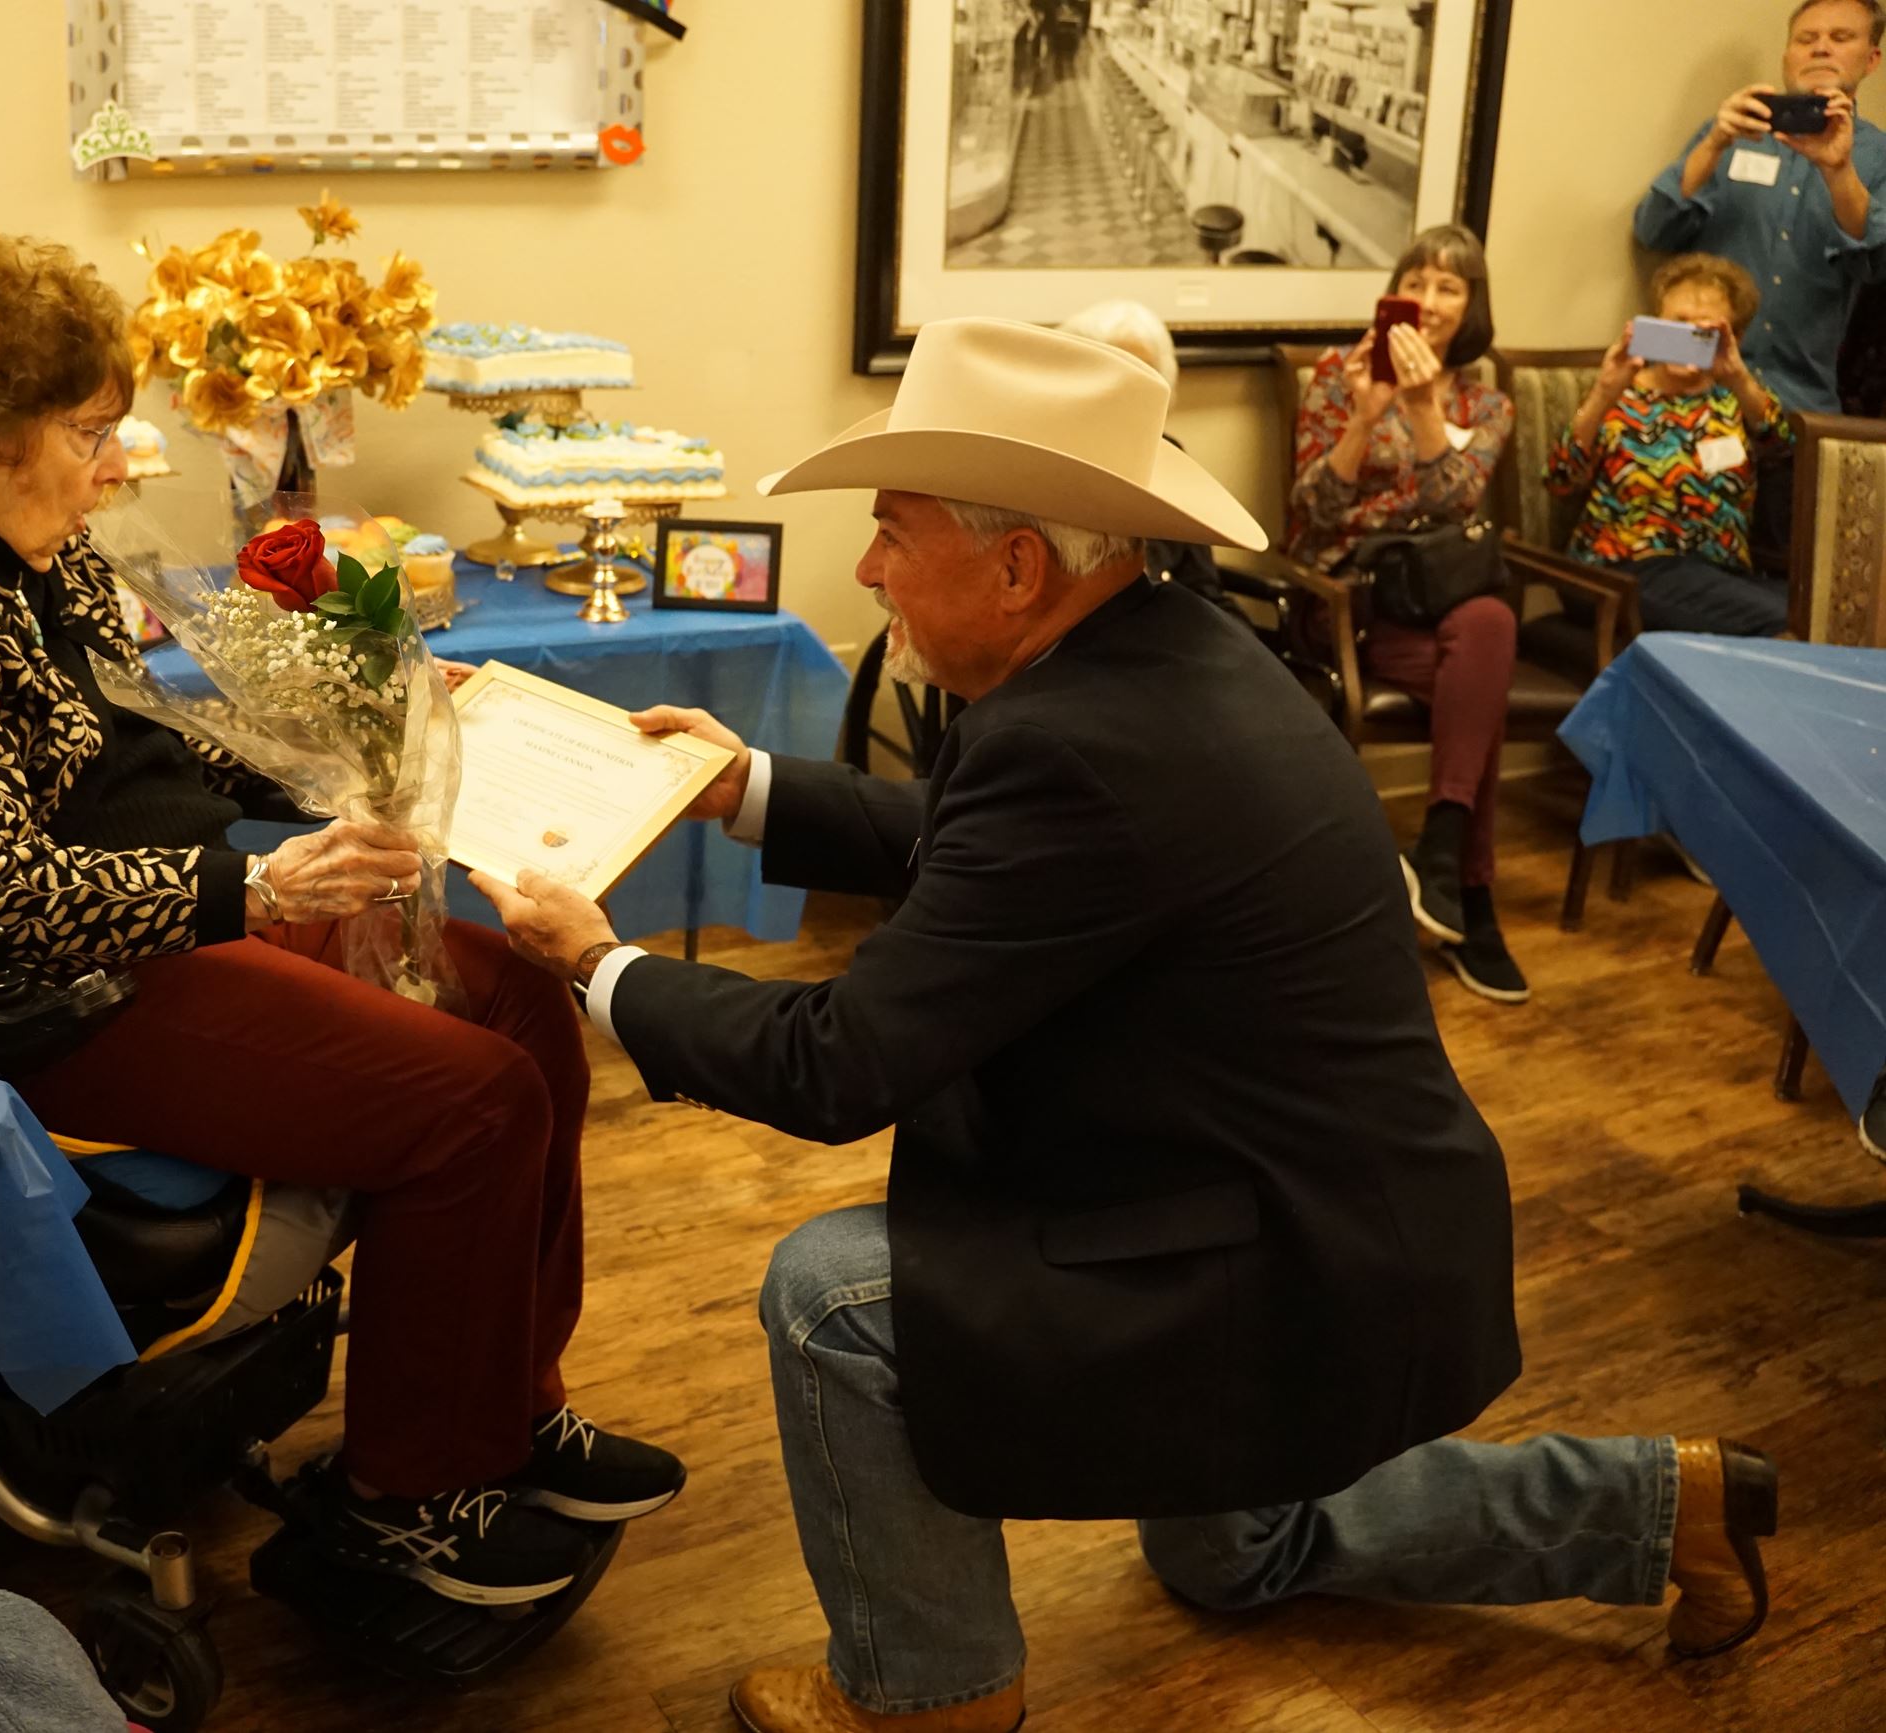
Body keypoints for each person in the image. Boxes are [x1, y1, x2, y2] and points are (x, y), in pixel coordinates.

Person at [474, 318, 1778, 1733]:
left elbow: (839, 1063)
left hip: (1277, 1246)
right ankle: (1661, 1510)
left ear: (1020, 565)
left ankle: (931, 1692)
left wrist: (598, 965)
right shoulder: (1138, 658)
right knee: (1236, 1548)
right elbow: (982, 848)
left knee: (834, 1297)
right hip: (1283, 1199)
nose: (866, 569)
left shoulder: (1079, 739)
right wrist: (748, 791)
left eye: (892, 534)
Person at [0, 235, 681, 1609]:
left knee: (522, 1004)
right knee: (471, 1101)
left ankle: (505, 1411)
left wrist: (366, 751)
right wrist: (251, 888)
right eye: (86, 431)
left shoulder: (38, 550)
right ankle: (409, 1497)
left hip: (152, 923)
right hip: (38, 995)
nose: (116, 457)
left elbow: (146, 751)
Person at [1288, 222, 1526, 1005]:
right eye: (1416, 281)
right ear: (1394, 292)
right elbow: (1313, 514)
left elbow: (1452, 503)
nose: (1428, 301)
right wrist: (1365, 415)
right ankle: (1472, 897)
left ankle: (1444, 849)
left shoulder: (1487, 403)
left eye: (1449, 286)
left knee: (1486, 626)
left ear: (1472, 306)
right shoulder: (1337, 374)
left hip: (1441, 596)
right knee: (1482, 686)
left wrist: (1425, 410)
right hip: (1354, 602)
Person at [1634, 0, 1886, 421]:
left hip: (1798, 401)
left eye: (1841, 38)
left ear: (1872, 58)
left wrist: (1839, 169)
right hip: (1689, 390)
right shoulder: (1730, 133)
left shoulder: (1877, 156)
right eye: (1807, 39)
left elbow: (1876, 266)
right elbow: (1652, 231)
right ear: (1787, 54)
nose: (1821, 48)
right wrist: (1715, 141)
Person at [1547, 255, 1794, 638]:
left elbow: (1783, 449)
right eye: (1678, 325)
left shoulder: (1735, 404)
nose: (1688, 339)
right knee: (1782, 622)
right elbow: (1560, 481)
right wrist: (1602, 393)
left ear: (1733, 337)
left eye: (1705, 330)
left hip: (1719, 573)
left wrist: (1739, 378)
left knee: (1820, 613)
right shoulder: (1619, 399)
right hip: (1620, 571)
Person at [1057, 299, 1238, 616]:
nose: (1126, 404)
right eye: (1113, 382)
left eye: (1144, 387)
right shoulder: (1051, 469)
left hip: (1171, 635)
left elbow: (1203, 586)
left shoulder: (1170, 459)